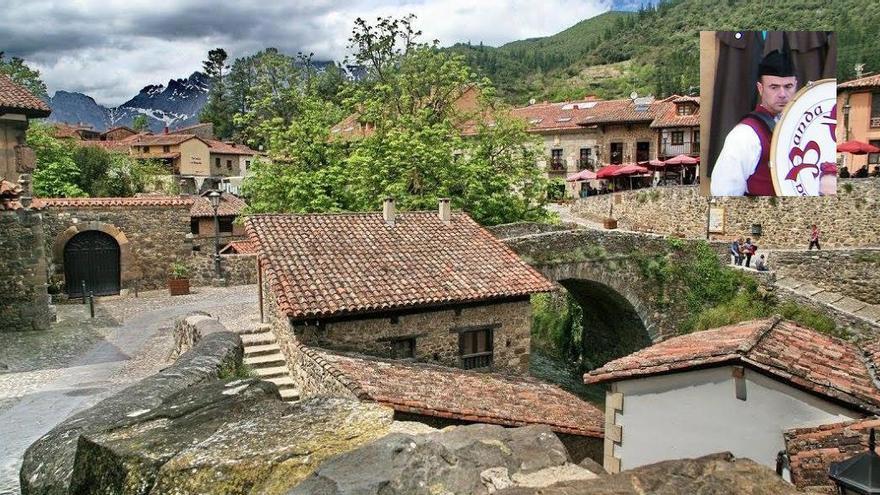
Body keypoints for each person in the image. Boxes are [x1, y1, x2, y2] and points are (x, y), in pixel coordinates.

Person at [710, 50, 797, 196]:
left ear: (796, 85)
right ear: (760, 88)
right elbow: (724, 192)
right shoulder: (745, 134)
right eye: (774, 87)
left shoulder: (805, 127)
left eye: (788, 86)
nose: (782, 94)